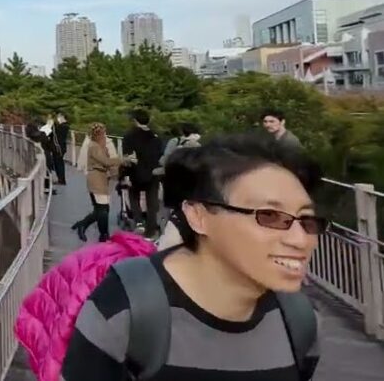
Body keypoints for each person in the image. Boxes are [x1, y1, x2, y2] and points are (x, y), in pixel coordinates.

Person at [60, 133, 325, 380]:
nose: (299, 239)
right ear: (198, 216)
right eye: (269, 215)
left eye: (307, 220)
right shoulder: (126, 309)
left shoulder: (299, 320)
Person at [71, 123, 122, 243]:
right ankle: (103, 234)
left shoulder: (99, 146)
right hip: (96, 178)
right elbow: (105, 161)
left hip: (101, 178)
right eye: (103, 133)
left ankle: (85, 226)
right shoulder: (94, 147)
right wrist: (121, 160)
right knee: (102, 209)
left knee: (101, 209)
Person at [122, 109, 164, 238]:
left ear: (135, 121)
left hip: (136, 172)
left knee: (133, 196)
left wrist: (125, 174)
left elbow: (128, 158)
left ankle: (139, 222)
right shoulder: (156, 136)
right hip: (153, 173)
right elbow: (160, 156)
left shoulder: (129, 136)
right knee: (152, 201)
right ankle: (151, 228)